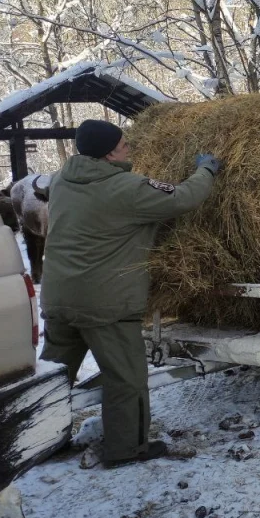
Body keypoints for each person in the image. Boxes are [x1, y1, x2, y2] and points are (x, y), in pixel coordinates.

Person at [40, 119, 221, 467]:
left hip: (59, 297)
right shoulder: (126, 188)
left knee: (54, 376)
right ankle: (126, 450)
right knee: (125, 379)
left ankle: (41, 442)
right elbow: (183, 198)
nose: (129, 149)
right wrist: (206, 171)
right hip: (105, 303)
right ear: (108, 153)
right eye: (124, 145)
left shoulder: (62, 180)